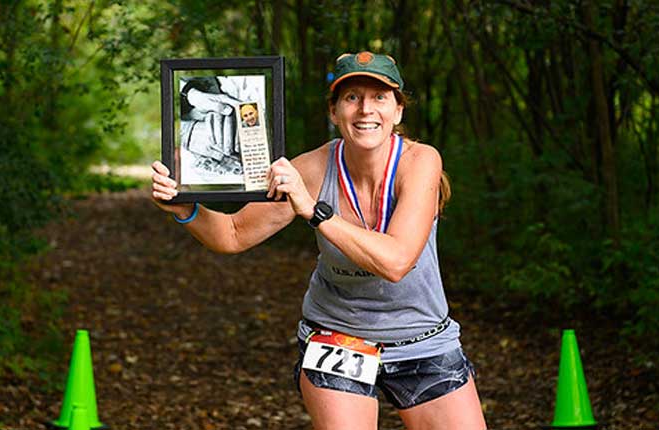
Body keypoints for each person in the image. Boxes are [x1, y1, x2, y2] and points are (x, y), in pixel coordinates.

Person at [151, 51, 486, 430]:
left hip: (423, 338)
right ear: (334, 112)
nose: (365, 110)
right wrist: (184, 207)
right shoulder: (310, 169)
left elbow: (396, 261)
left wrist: (314, 211)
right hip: (336, 336)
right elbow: (232, 234)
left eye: (379, 97)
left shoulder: (420, 161)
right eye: (351, 97)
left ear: (398, 111)